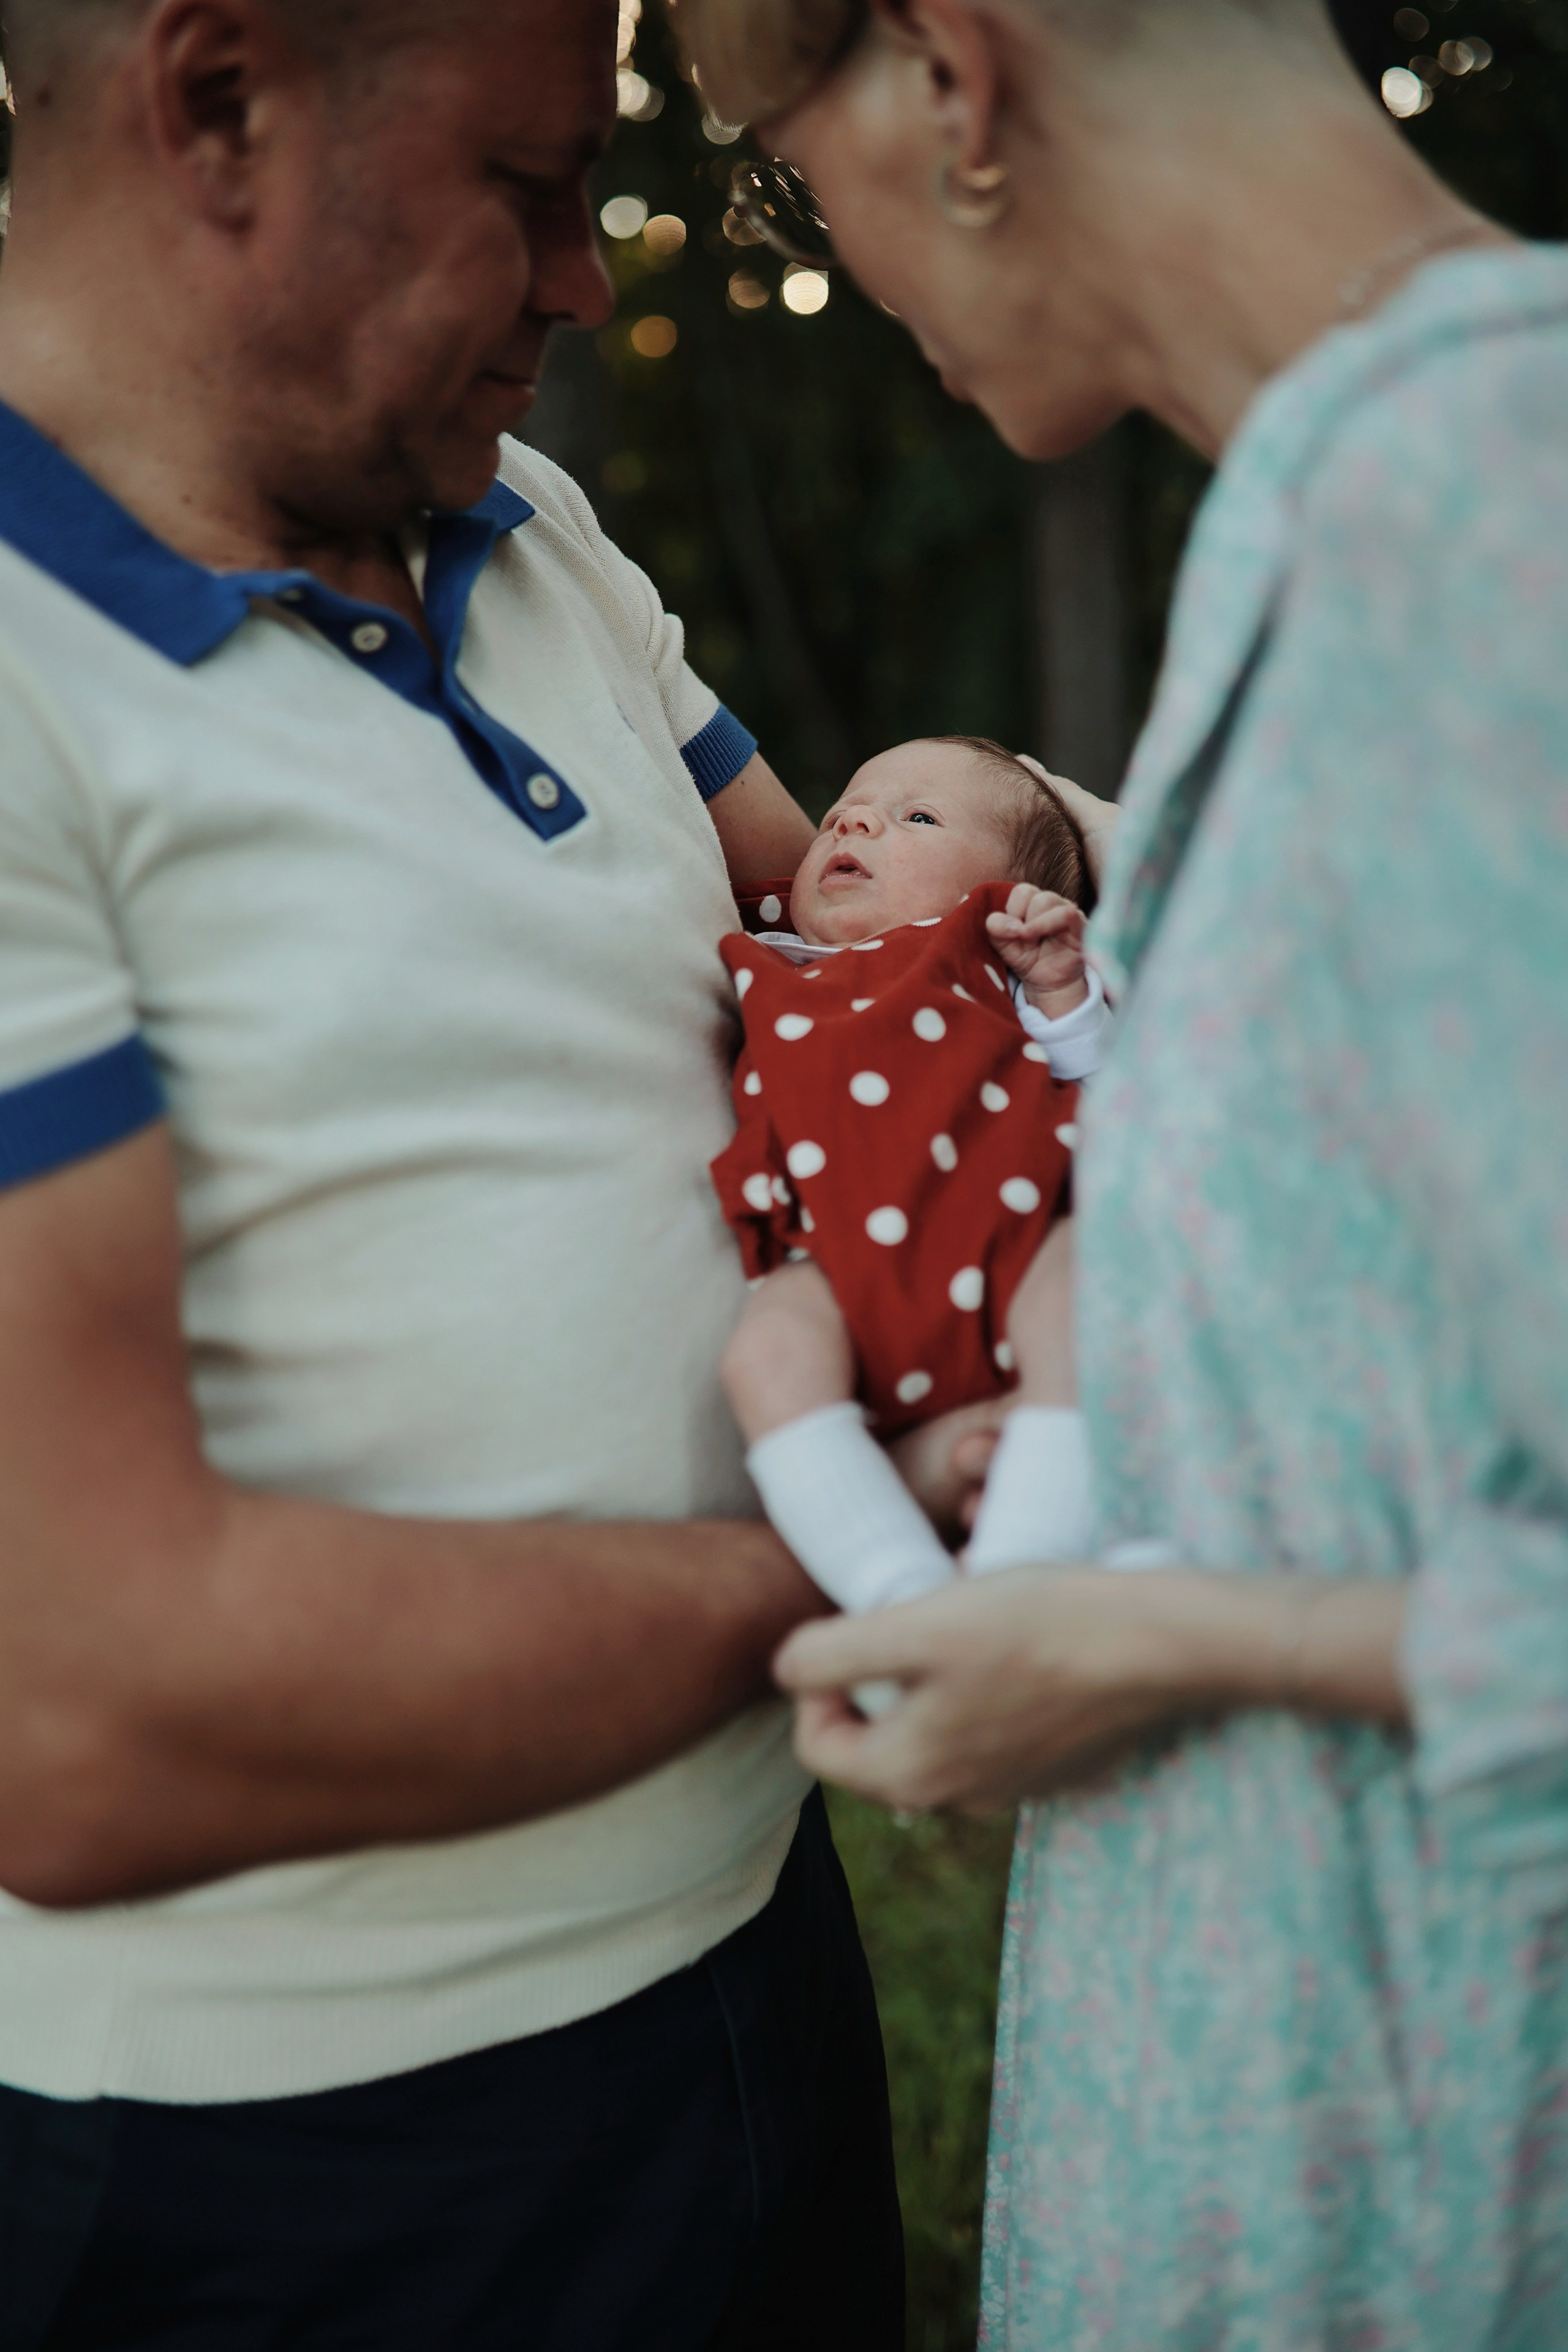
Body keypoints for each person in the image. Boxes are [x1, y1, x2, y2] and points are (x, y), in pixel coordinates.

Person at [0, 1, 905, 2344]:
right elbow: (81, 1720)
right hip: (307, 2164)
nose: (588, 280)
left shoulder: (524, 523)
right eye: (524, 186)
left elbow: (857, 953)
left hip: (757, 1964)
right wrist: (864, 1580)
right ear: (213, 104)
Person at [676, 0, 1568, 2343]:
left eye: (778, 173)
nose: (826, 252)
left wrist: (1161, 1642)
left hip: (1431, 2187)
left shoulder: (1492, 510)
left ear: (952, 81)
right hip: (1256, 2104)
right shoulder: (1340, 529)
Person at [714, 735, 1107, 1616]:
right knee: (765, 1359)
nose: (853, 820)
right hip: (833, 1263)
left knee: (1094, 1303)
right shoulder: (770, 957)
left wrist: (1062, 994)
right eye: (840, 813)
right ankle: (896, 1598)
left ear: (1004, 890)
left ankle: (1025, 1562)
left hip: (1022, 1234)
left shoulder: (1000, 955)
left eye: (917, 818)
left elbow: (1108, 1087)